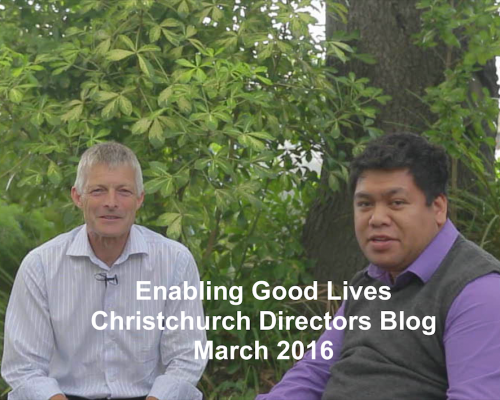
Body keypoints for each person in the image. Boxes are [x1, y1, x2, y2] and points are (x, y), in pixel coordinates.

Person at [257, 133, 500, 399]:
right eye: (365, 204)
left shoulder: (478, 291)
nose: (377, 218)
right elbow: (312, 373)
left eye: (396, 203)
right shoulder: (369, 282)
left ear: (438, 207)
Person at [2, 142, 207, 400]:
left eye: (123, 191)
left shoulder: (175, 261)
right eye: (98, 190)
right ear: (78, 197)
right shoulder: (40, 266)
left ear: (139, 199)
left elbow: (186, 358)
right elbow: (24, 367)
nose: (111, 202)